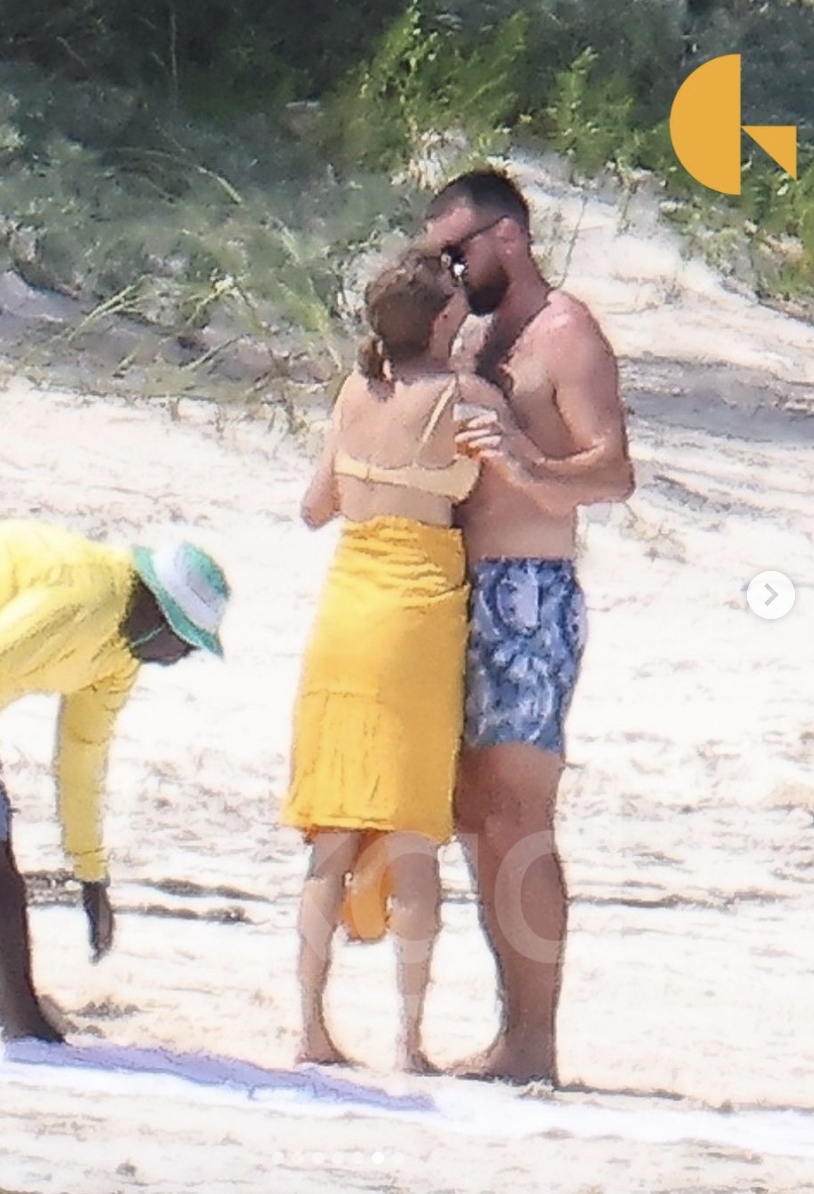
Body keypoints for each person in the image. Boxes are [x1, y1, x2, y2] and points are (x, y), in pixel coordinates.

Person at [0, 518, 230, 1053]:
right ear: (157, 616)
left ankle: (22, 1016)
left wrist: (90, 870)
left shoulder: (121, 654)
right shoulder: (86, 598)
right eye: (185, 642)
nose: (182, 657)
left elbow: (82, 755)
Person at [423, 167, 635, 1084]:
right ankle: (515, 1031)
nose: (447, 264)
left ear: (508, 236)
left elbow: (614, 472)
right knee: (474, 816)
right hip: (462, 591)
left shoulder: (565, 332)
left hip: (528, 595)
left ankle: (536, 1042)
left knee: (517, 817)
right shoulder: (475, 335)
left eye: (456, 247)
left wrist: (526, 467)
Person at [282, 247, 484, 1075]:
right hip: (414, 614)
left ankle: (310, 1028)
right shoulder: (461, 398)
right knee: (411, 832)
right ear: (440, 320)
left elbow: (313, 508)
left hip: (345, 612)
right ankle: (408, 1039)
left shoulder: (355, 391)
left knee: (331, 831)